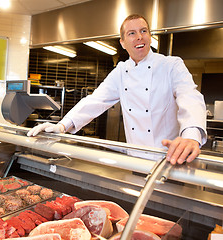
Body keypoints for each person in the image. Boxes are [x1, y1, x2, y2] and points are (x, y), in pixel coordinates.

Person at [27, 14, 207, 165]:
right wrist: (61, 126)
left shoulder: (171, 65)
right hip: (136, 160)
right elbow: (95, 101)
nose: (139, 37)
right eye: (132, 33)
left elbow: (189, 96)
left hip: (172, 158)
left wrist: (191, 135)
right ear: (123, 42)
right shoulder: (121, 71)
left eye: (143, 31)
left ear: (150, 36)